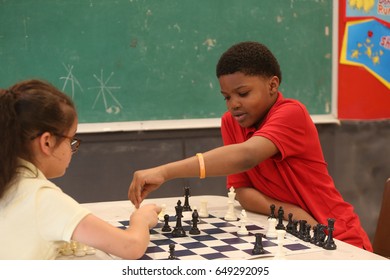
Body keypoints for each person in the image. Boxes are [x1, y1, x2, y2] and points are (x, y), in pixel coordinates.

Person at [128, 41, 373, 251]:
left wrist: (165, 171)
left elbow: (246, 156)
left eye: (243, 93)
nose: (233, 104)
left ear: (272, 85)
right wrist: (293, 214)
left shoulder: (291, 113)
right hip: (292, 229)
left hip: (336, 234)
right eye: (226, 97)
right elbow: (243, 192)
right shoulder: (231, 123)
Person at [0, 79, 161, 259]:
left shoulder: (8, 180)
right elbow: (131, 246)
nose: (72, 148)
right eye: (71, 139)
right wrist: (141, 219)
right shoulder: (41, 197)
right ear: (47, 142)